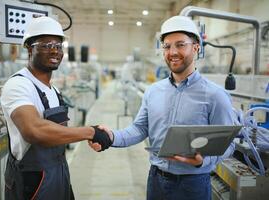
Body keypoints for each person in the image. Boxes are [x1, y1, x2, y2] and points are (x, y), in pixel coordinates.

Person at [89, 16, 236, 200]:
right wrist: (112, 137)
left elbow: (228, 144)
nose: (172, 52)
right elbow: (140, 128)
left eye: (180, 44)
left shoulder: (215, 96)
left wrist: (203, 161)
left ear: (196, 47)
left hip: (193, 184)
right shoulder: (153, 91)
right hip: (156, 179)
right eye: (167, 46)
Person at [0, 16, 111, 200]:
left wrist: (88, 134)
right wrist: (89, 132)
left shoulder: (54, 90)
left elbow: (59, 133)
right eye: (45, 45)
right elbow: (34, 130)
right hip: (32, 182)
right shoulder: (19, 85)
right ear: (29, 48)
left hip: (59, 173)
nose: (54, 51)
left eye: (58, 46)